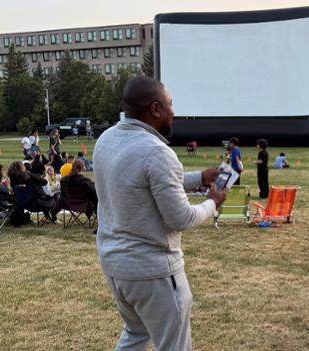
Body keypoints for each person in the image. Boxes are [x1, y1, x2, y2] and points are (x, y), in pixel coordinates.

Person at [93, 76, 227, 351]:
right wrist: (212, 202)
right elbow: (181, 218)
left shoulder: (106, 140)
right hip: (153, 272)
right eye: (170, 104)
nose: (174, 111)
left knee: (135, 334)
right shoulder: (157, 152)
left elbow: (141, 179)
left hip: (116, 266)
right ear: (156, 109)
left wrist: (199, 176)